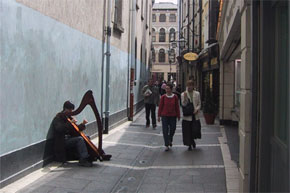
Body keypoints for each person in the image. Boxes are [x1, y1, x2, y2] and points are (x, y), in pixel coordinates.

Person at [50, 101, 93, 167]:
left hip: (69, 138)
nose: (71, 112)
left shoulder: (69, 117)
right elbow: (59, 129)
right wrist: (70, 123)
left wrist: (82, 124)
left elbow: (76, 129)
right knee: (79, 139)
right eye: (70, 110)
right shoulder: (58, 118)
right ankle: (83, 159)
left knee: (87, 137)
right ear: (65, 109)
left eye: (72, 110)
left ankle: (87, 156)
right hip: (62, 141)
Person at [158, 83, 180, 151]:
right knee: (165, 130)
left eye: (168, 89)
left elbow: (177, 106)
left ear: (171, 89)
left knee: (173, 129)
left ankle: (170, 139)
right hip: (164, 116)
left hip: (173, 116)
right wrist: (159, 116)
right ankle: (166, 144)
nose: (166, 90)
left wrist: (178, 115)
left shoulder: (175, 97)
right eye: (166, 89)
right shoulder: (163, 97)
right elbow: (160, 107)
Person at [181, 80, 201, 151]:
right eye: (188, 85)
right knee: (188, 130)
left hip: (195, 115)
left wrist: (197, 109)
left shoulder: (197, 93)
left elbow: (199, 104)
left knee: (194, 130)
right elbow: (183, 104)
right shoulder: (183, 94)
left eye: (191, 85)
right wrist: (185, 98)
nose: (189, 87)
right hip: (187, 115)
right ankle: (189, 144)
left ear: (193, 86)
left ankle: (192, 141)